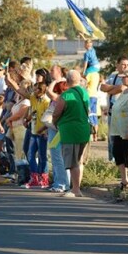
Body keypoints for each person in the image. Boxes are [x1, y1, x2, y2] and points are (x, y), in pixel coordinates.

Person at [52, 70, 91, 198]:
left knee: (73, 161)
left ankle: (75, 189)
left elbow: (57, 112)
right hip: (84, 129)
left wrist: (55, 122)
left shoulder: (66, 95)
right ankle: (76, 187)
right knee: (79, 161)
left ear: (67, 81)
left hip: (70, 131)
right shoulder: (84, 92)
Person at [46, 65, 70, 193]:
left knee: (57, 156)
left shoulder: (60, 98)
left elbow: (48, 93)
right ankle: (59, 181)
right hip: (56, 127)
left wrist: (55, 80)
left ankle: (62, 183)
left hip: (57, 127)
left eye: (52, 70)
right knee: (59, 156)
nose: (50, 72)